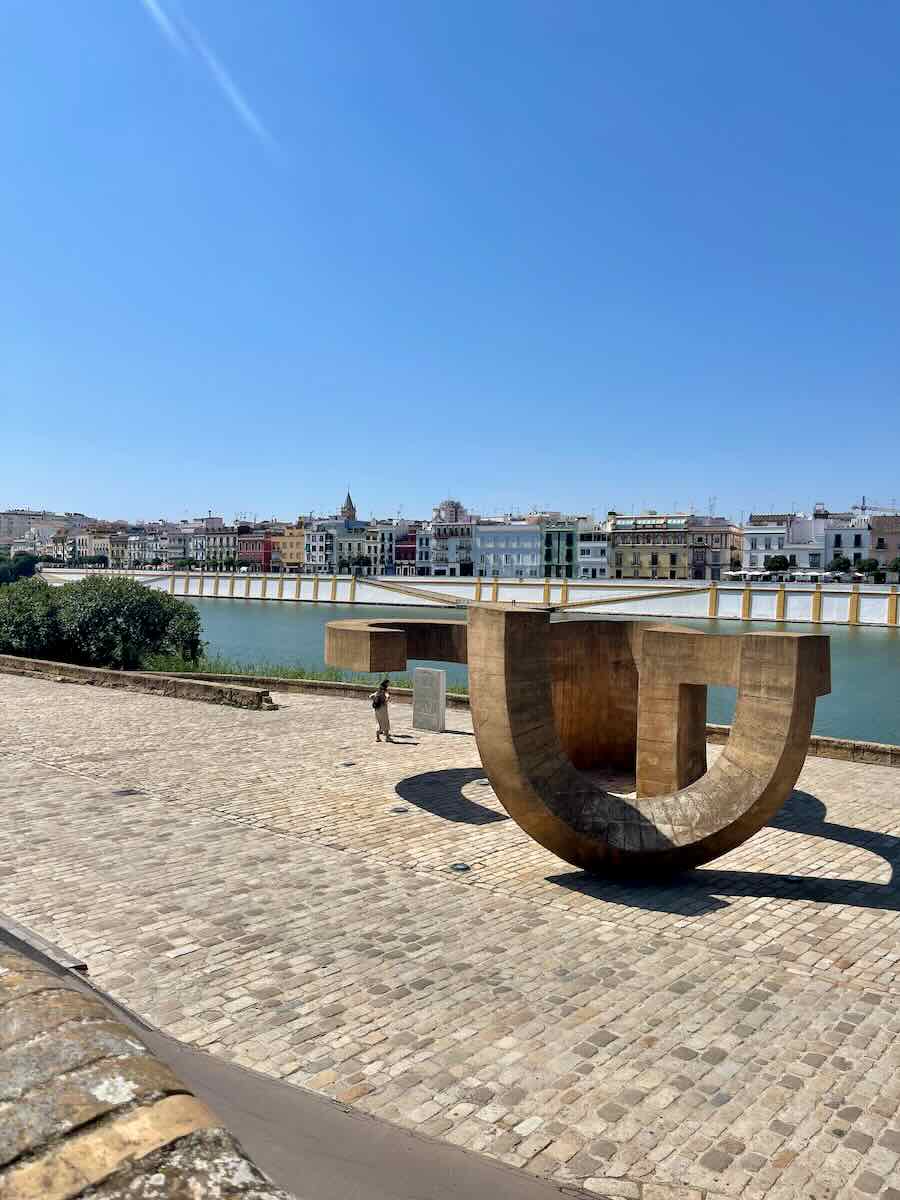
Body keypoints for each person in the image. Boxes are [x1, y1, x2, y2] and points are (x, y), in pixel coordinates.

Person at [370, 678, 392, 742]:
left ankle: (377, 738)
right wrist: (385, 701)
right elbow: (388, 696)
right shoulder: (385, 691)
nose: (389, 684)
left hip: (377, 709)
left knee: (378, 722)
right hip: (383, 709)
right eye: (388, 683)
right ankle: (387, 738)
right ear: (386, 684)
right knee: (385, 722)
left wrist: (375, 700)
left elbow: (370, 696)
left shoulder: (378, 691)